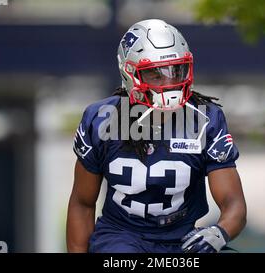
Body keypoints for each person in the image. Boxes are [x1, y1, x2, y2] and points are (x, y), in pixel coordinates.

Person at [66, 19, 247, 253]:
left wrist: (219, 232)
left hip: (184, 239)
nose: (170, 83)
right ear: (129, 73)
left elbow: (233, 202)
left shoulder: (205, 120)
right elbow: (82, 203)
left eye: (176, 70)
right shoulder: (101, 119)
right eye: (156, 75)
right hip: (121, 238)